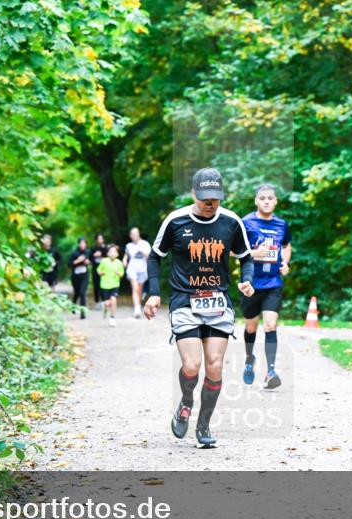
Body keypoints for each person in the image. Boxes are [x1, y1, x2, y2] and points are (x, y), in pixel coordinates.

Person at [143, 168, 255, 448]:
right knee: (192, 366)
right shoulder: (175, 220)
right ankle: (185, 401)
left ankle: (203, 425)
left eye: (214, 198)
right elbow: (154, 257)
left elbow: (246, 258)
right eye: (204, 198)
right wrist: (154, 294)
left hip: (218, 302)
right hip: (184, 300)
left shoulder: (231, 222)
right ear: (193, 193)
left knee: (215, 367)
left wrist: (247, 280)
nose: (209, 203)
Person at [241, 183, 292, 389]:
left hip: (273, 283)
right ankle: (249, 358)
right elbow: (232, 250)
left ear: (276, 201)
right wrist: (253, 254)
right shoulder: (245, 223)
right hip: (251, 284)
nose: (266, 201)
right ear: (256, 201)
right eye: (262, 198)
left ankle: (270, 371)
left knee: (270, 324)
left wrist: (285, 262)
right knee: (251, 326)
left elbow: (286, 245)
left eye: (270, 198)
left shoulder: (281, 224)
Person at [123, 227, 151, 318]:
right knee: (135, 288)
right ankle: (137, 309)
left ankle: (138, 306)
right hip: (132, 269)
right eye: (132, 234)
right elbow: (126, 256)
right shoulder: (129, 246)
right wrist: (124, 262)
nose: (134, 235)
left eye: (136, 233)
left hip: (143, 269)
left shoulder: (145, 244)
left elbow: (149, 257)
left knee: (139, 289)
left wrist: (142, 251)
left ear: (139, 234)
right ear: (130, 236)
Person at [97, 244, 124, 327]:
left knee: (113, 300)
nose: (113, 253)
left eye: (114, 252)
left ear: (117, 254)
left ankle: (112, 318)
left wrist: (118, 273)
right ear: (108, 253)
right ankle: (105, 308)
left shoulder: (119, 263)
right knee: (107, 303)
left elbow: (122, 274)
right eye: (111, 251)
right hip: (104, 285)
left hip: (115, 285)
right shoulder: (104, 261)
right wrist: (101, 273)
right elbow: (98, 270)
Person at [69, 237, 90, 319]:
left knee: (82, 293)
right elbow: (69, 264)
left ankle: (83, 312)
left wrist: (88, 262)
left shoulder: (88, 252)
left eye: (84, 243)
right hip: (75, 276)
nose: (82, 245)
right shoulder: (74, 253)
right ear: (78, 244)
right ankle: (73, 305)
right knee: (77, 293)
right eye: (81, 243)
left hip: (85, 275)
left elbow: (91, 260)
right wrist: (77, 261)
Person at [90, 233, 107, 307]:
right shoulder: (93, 248)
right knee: (96, 285)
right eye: (98, 239)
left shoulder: (106, 248)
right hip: (95, 269)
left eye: (101, 238)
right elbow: (89, 259)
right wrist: (94, 255)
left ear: (103, 239)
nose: (100, 240)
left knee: (103, 285)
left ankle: (104, 302)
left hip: (104, 269)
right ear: (96, 240)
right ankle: (97, 302)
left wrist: (102, 256)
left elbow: (109, 257)